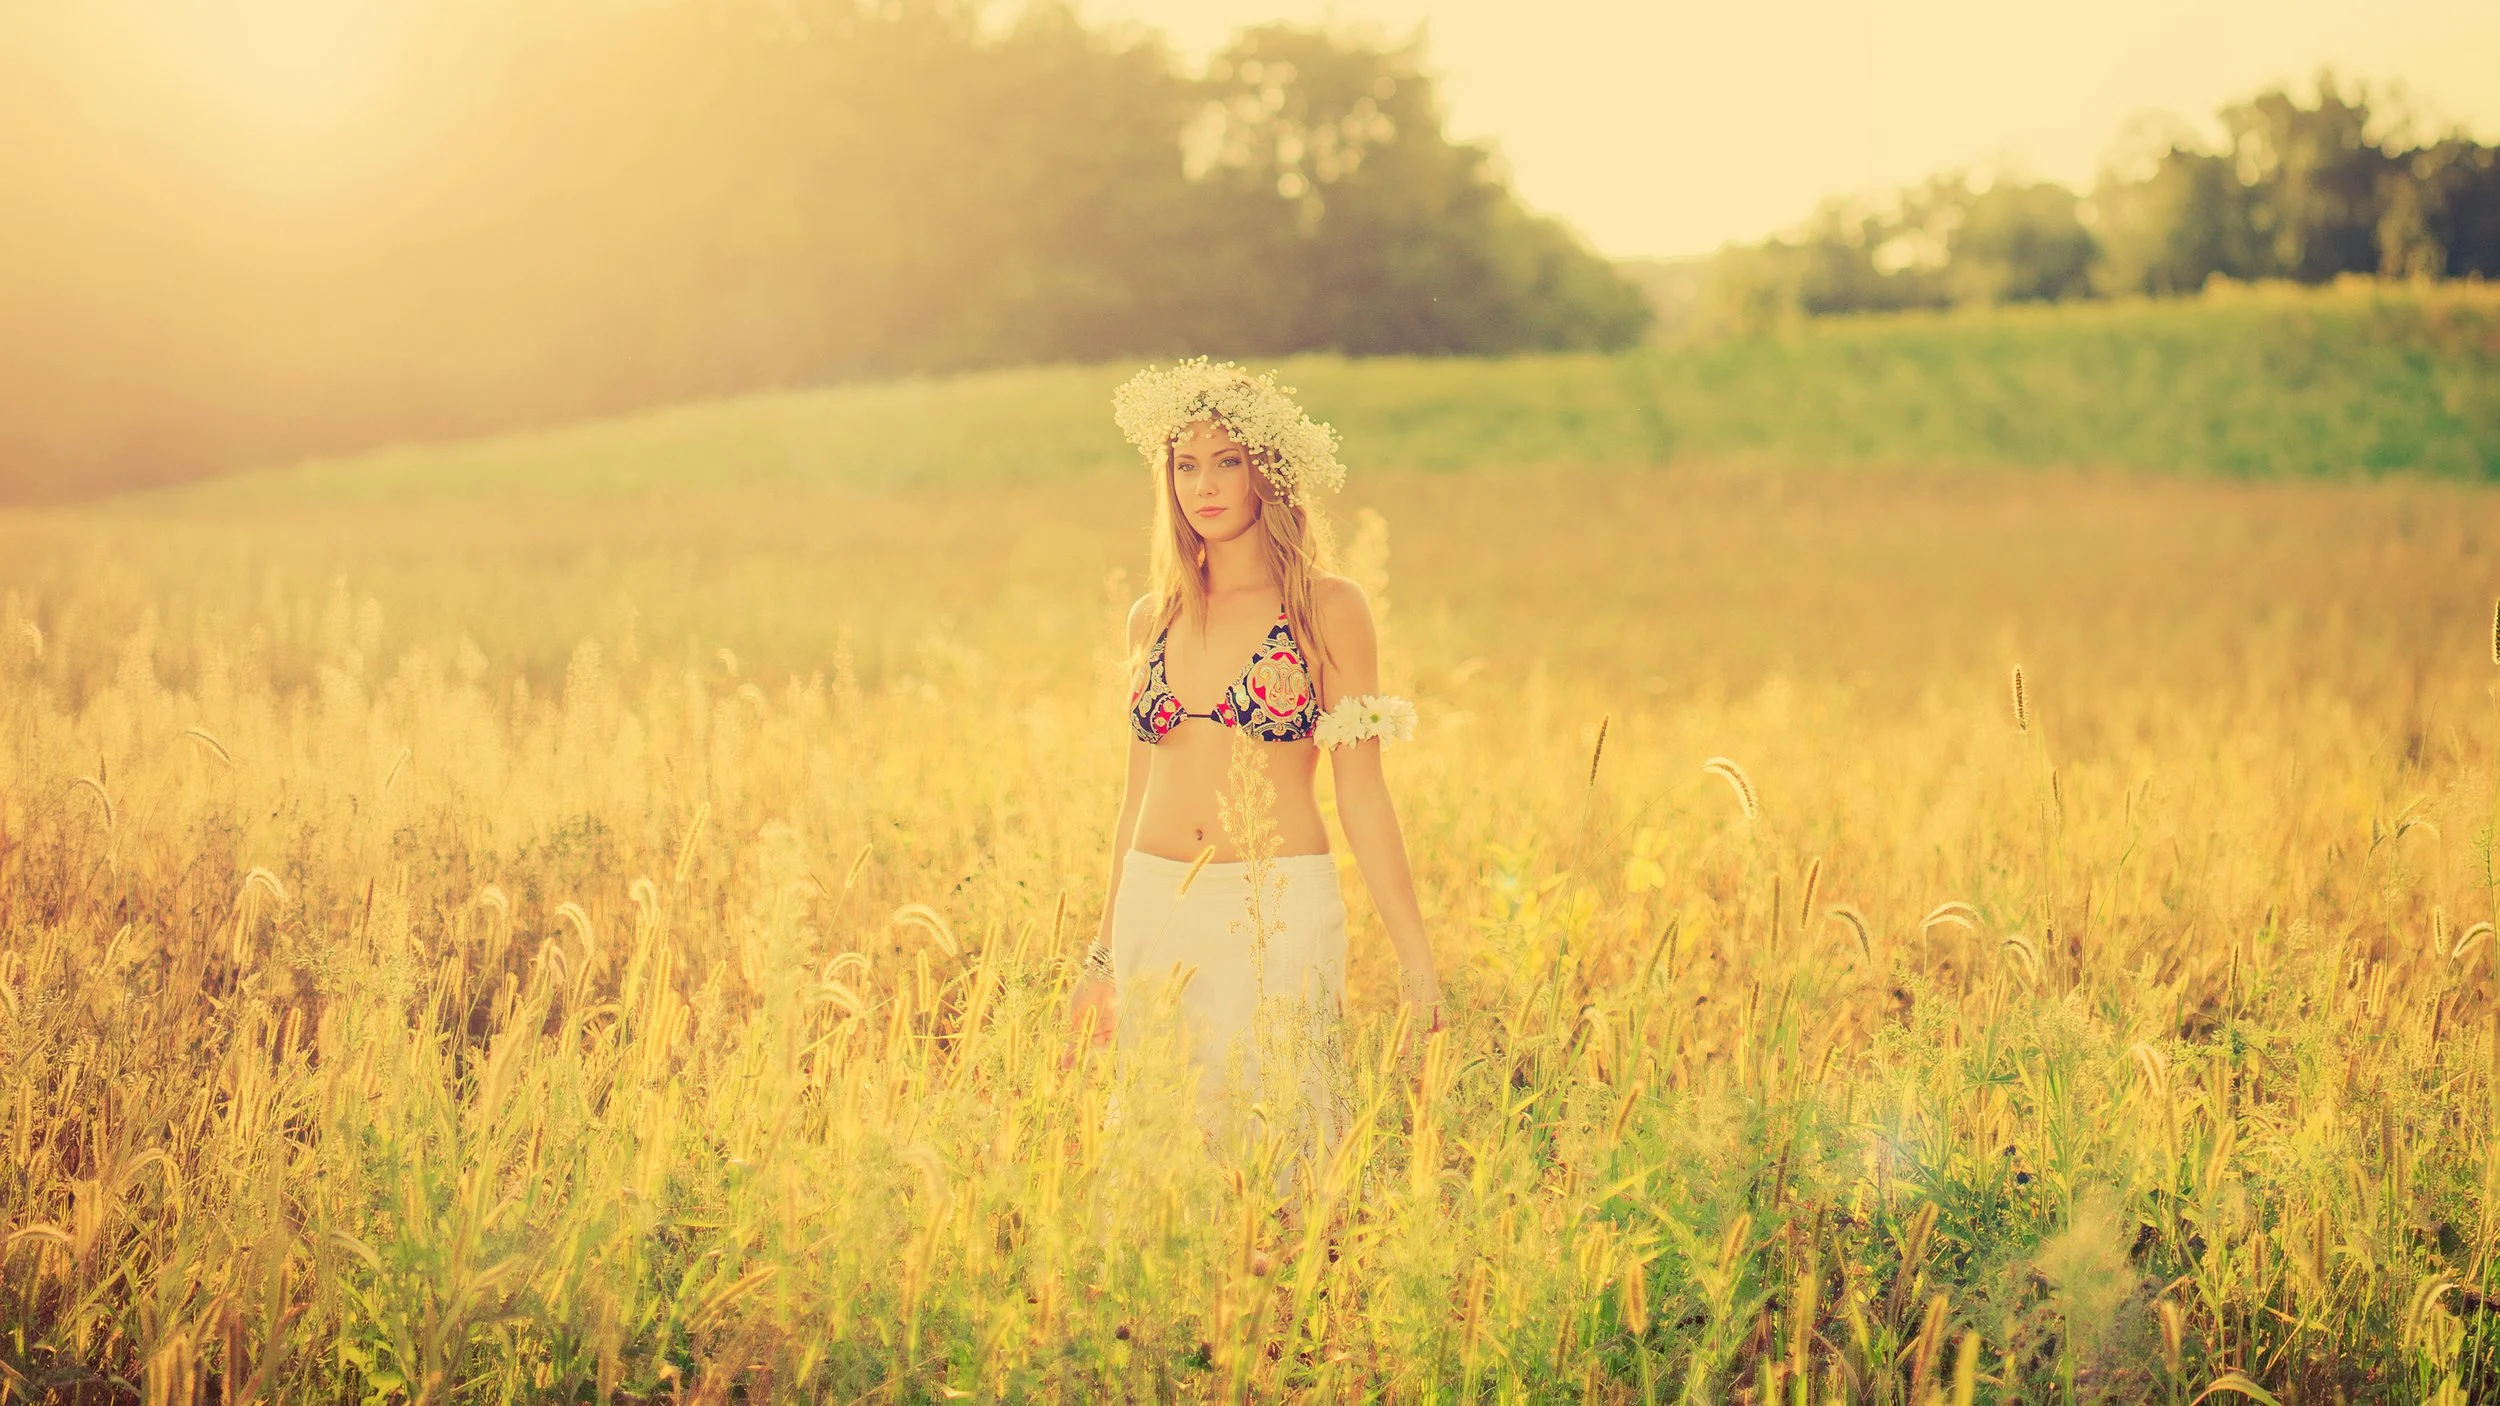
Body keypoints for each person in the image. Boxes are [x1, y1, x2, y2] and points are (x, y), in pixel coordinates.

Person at [1065, 359, 1443, 1181]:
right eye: (1186, 464)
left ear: (1267, 468)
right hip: (1154, 908)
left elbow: (1363, 793)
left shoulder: (1326, 607)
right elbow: (1136, 795)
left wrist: (1415, 960)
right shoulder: (1152, 616)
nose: (1204, 485)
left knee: (1284, 1152)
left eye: (1227, 461)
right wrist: (1101, 958)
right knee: (1157, 1163)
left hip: (1277, 909)